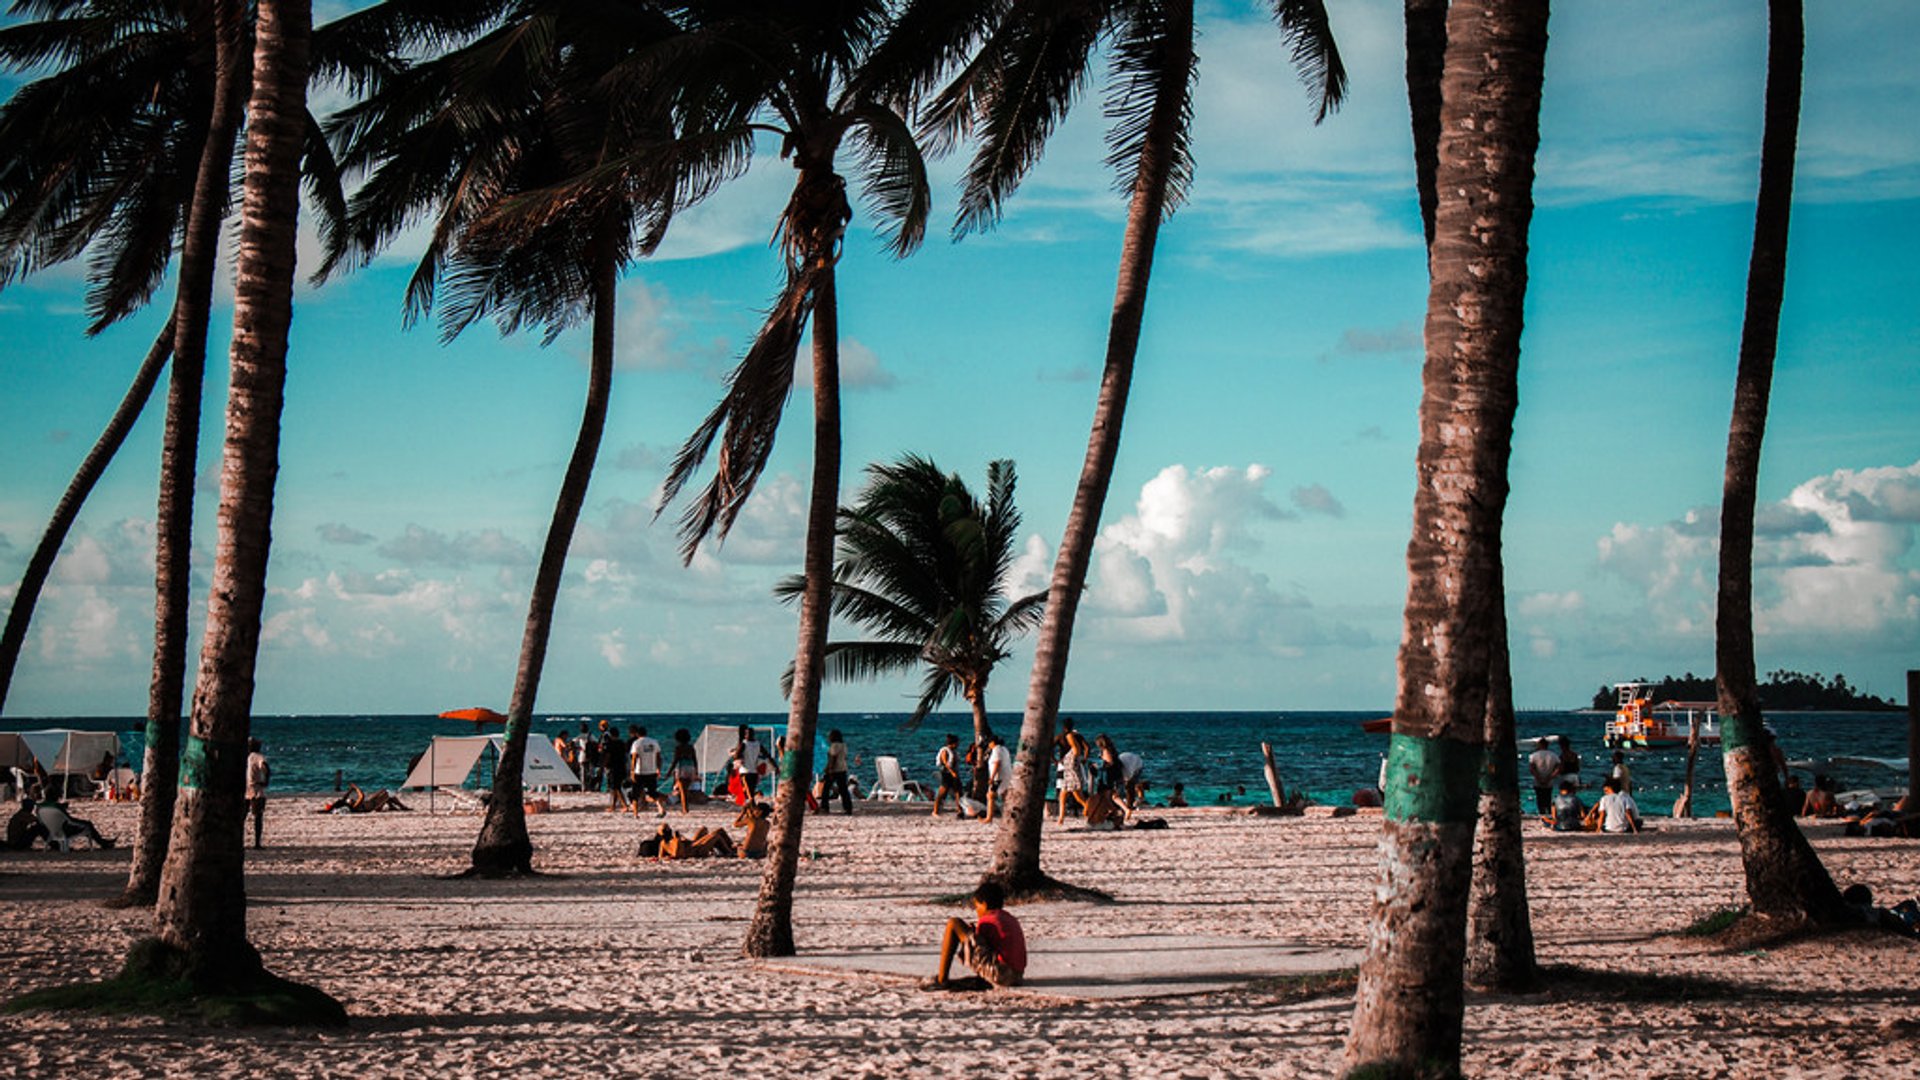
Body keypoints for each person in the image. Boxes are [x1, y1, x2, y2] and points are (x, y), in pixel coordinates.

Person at [925, 881, 1027, 991]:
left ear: (984, 905)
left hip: (1000, 974)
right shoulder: (1009, 918)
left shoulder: (987, 920)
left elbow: (978, 946)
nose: (976, 910)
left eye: (977, 906)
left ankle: (941, 980)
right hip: (1017, 975)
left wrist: (969, 934)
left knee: (953, 923)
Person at [34, 799, 115, 848]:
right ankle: (103, 843)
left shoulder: (40, 807)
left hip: (49, 830)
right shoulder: (57, 807)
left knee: (85, 825)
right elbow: (70, 820)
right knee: (87, 825)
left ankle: (104, 843)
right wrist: (84, 823)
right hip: (63, 830)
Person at [1054, 719, 1091, 824]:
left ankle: (1091, 810)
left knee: (1078, 796)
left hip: (1071, 772)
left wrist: (1055, 761)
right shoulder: (1075, 741)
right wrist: (1085, 759)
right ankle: (1061, 818)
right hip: (1068, 771)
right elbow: (1086, 747)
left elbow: (1077, 748)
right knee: (1063, 795)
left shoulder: (1073, 751)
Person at [628, 725, 665, 816]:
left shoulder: (636, 743)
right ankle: (660, 808)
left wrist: (632, 771)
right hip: (651, 771)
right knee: (653, 792)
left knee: (635, 793)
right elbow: (659, 757)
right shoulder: (654, 742)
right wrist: (658, 769)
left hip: (639, 771)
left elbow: (634, 758)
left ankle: (635, 814)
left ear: (637, 734)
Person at [245, 737, 271, 849]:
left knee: (242, 816)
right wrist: (266, 780)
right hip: (256, 788)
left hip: (245, 788)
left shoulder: (245, 757)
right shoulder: (258, 757)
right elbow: (266, 767)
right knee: (258, 817)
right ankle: (257, 843)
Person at [820, 730, 854, 814]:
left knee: (826, 789)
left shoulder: (834, 746)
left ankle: (824, 807)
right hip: (843, 769)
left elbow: (832, 758)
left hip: (835, 770)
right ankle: (848, 808)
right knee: (843, 790)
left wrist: (829, 769)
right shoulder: (844, 746)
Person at [983, 734, 1014, 823]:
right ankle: (1008, 815)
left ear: (992, 742)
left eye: (989, 743)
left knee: (990, 796)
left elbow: (997, 764)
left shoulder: (996, 750)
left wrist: (992, 777)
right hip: (1006, 775)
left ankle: (989, 818)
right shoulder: (1004, 749)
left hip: (998, 777)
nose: (988, 745)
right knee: (1005, 796)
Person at [317, 784, 410, 813]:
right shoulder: (354, 807)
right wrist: (356, 788)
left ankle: (393, 806)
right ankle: (402, 807)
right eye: (350, 801)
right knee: (387, 794)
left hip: (370, 802)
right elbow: (361, 796)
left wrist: (350, 790)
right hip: (373, 806)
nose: (351, 799)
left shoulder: (349, 804)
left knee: (383, 790)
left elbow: (343, 799)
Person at [932, 734, 964, 817]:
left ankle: (960, 809)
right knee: (942, 793)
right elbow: (945, 763)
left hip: (955, 774)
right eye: (957, 743)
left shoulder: (954, 751)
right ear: (953, 743)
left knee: (958, 792)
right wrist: (952, 772)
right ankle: (935, 811)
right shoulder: (945, 750)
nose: (958, 745)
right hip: (947, 774)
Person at [1526, 737, 1560, 816]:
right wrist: (1550, 777)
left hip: (1538, 781)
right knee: (1548, 798)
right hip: (1549, 781)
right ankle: (1549, 814)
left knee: (1540, 798)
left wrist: (1538, 778)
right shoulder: (1553, 755)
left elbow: (1532, 769)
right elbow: (1558, 768)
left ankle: (1542, 814)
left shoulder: (1533, 756)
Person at [670, 728, 701, 813]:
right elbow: (695, 759)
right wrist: (696, 771)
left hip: (682, 768)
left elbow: (675, 760)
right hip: (691, 768)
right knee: (686, 790)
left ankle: (685, 809)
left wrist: (669, 771)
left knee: (682, 791)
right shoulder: (691, 747)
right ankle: (686, 807)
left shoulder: (678, 748)